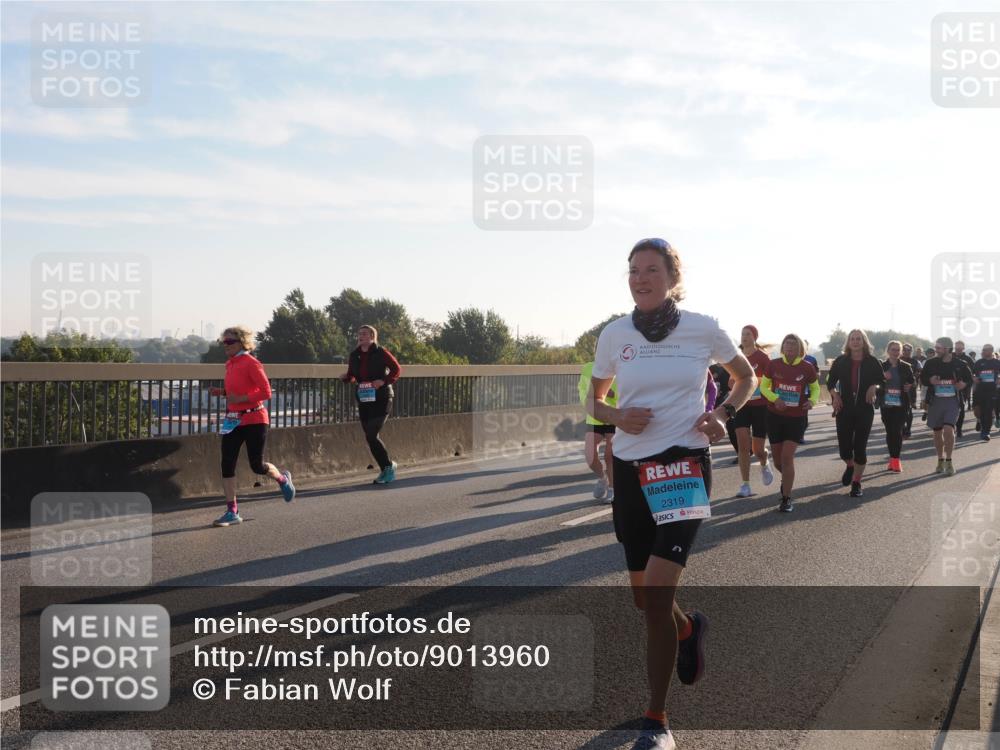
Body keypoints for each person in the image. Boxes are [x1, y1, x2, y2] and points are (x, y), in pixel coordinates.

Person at [588, 237, 754, 750]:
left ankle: (656, 720)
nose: (640, 278)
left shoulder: (702, 328)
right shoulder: (615, 333)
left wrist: (722, 415)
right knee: (645, 601)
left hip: (683, 466)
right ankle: (687, 629)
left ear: (671, 277)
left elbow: (745, 377)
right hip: (630, 470)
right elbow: (594, 395)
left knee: (657, 595)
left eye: (651, 270)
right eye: (634, 270)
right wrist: (613, 416)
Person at [209, 326, 295, 527]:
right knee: (226, 463)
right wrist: (222, 392)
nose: (225, 346)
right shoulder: (230, 364)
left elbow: (266, 392)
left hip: (255, 419)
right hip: (233, 419)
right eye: (224, 342)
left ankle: (282, 479)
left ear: (241, 342)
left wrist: (242, 398)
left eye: (229, 342)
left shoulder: (251, 362)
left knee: (256, 465)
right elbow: (236, 389)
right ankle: (232, 511)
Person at [760, 333, 819, 511]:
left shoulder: (807, 367)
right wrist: (775, 398)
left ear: (799, 348)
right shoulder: (774, 364)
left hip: (796, 418)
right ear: (783, 347)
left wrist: (813, 401)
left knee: (787, 457)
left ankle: (786, 498)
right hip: (774, 416)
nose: (790, 346)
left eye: (793, 344)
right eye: (787, 343)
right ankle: (787, 480)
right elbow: (763, 387)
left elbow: (815, 388)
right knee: (778, 461)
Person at [341, 325, 402, 484]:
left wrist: (383, 381)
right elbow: (352, 375)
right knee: (370, 438)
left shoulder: (381, 352)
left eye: (365, 334)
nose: (361, 336)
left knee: (371, 435)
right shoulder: (354, 355)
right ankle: (385, 468)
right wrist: (347, 378)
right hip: (365, 399)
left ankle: (388, 468)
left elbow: (396, 369)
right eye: (359, 334)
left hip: (382, 398)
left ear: (372, 336)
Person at [826, 330, 883, 498]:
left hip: (865, 409)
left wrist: (874, 387)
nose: (855, 342)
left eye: (859, 339)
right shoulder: (841, 361)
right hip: (844, 408)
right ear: (848, 342)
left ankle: (857, 482)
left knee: (860, 447)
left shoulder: (872, 362)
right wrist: (835, 395)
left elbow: (882, 382)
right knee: (844, 449)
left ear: (864, 342)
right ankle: (850, 465)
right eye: (852, 339)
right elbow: (830, 382)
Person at [920, 337, 974, 475]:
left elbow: (969, 379)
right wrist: (930, 380)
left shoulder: (959, 364)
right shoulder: (931, 363)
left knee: (948, 429)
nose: (936, 350)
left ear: (947, 349)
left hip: (952, 401)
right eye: (936, 347)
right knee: (937, 432)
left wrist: (964, 384)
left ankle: (949, 461)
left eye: (938, 348)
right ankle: (940, 460)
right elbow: (923, 378)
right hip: (935, 401)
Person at [733, 325, 774, 498]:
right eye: (742, 334)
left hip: (760, 406)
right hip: (741, 405)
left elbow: (771, 380)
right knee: (743, 445)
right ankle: (745, 485)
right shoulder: (736, 356)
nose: (744, 337)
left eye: (748, 334)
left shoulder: (763, 358)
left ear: (754, 337)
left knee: (757, 449)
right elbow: (731, 378)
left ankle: (764, 462)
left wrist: (757, 384)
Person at [579, 361, 616, 502]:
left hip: (615, 416)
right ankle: (603, 478)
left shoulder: (622, 366)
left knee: (610, 456)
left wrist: (612, 396)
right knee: (590, 457)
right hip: (595, 417)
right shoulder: (588, 368)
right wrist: (591, 405)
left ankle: (613, 489)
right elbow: (583, 390)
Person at [879, 341, 916, 472]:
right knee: (890, 432)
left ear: (900, 352)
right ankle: (892, 458)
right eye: (893, 350)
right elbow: (874, 383)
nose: (895, 352)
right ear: (888, 351)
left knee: (897, 431)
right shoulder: (881, 366)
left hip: (901, 404)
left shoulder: (906, 366)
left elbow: (912, 381)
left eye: (897, 350)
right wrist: (883, 378)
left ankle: (896, 460)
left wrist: (909, 386)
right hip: (886, 404)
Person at [972, 344, 1000, 441]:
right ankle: (980, 421)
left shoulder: (997, 362)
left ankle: (986, 432)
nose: (983, 351)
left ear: (991, 350)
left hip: (992, 391)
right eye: (983, 350)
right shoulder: (979, 363)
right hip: (979, 390)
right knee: (978, 411)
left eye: (985, 350)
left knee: (988, 411)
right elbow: (972, 374)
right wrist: (974, 378)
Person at [953, 340, 976, 438]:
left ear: (963, 348)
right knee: (951, 408)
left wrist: (965, 384)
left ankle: (959, 429)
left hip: (963, 387)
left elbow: (972, 375)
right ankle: (950, 426)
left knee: (961, 408)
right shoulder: (950, 357)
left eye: (959, 348)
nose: (957, 350)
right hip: (949, 387)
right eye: (956, 348)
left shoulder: (968, 359)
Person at [900, 343, 921, 438]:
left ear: (911, 352)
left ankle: (907, 429)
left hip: (910, 388)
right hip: (897, 388)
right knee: (899, 409)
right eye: (904, 350)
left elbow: (919, 372)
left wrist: (913, 379)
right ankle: (902, 427)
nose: (906, 352)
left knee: (909, 409)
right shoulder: (897, 360)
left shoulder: (915, 362)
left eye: (909, 350)